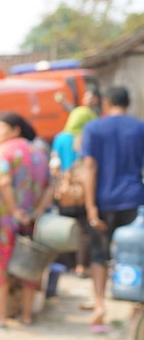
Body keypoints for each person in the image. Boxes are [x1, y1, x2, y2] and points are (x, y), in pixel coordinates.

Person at [81, 86, 144, 331]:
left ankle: (99, 305)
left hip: (103, 200)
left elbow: (90, 168)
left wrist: (90, 207)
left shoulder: (94, 128)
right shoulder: (139, 128)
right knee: (135, 254)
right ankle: (135, 310)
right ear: (128, 102)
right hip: (134, 200)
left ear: (106, 102)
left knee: (99, 254)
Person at [0, 113, 53, 328]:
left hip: (3, 218)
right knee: (29, 264)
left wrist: (14, 211)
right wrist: (36, 211)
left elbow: (3, 182)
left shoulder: (3, 151)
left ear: (15, 130)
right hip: (31, 220)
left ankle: (1, 315)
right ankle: (27, 315)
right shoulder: (38, 152)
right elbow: (50, 186)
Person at [50, 93, 98, 277]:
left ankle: (67, 264)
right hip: (85, 190)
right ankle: (81, 265)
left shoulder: (60, 138)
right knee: (85, 230)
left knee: (66, 227)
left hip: (65, 192)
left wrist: (61, 180)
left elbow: (54, 166)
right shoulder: (89, 139)